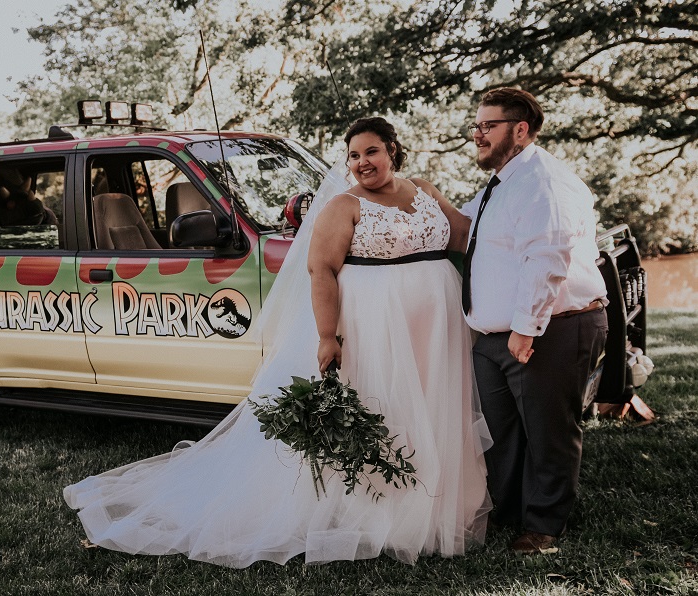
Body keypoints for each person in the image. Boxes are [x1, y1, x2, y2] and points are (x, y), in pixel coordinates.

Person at [63, 117, 492, 568]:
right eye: (354, 155)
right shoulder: (342, 207)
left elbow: (465, 235)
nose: (363, 162)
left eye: (372, 151)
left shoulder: (424, 189)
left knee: (432, 403)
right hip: (374, 327)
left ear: (393, 150)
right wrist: (328, 336)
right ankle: (377, 508)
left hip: (434, 324)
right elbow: (321, 270)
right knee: (386, 405)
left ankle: (437, 500)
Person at [459, 88, 609, 555]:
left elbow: (548, 257)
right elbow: (463, 229)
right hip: (495, 335)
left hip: (551, 327)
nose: (477, 134)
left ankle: (544, 526)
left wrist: (525, 329)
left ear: (519, 129)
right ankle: (510, 509)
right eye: (477, 125)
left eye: (488, 125)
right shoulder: (500, 183)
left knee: (548, 430)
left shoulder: (543, 181)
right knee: (502, 432)